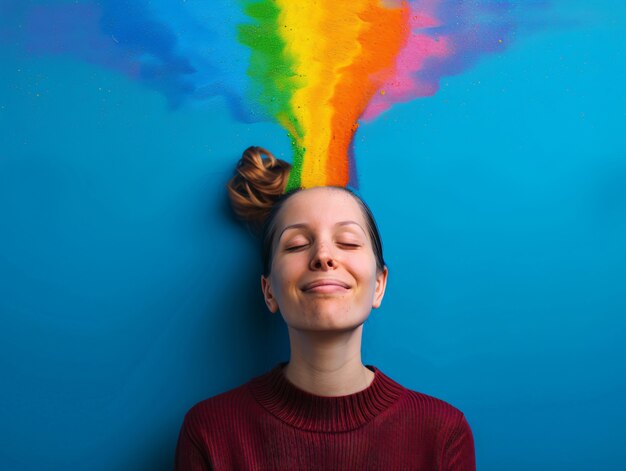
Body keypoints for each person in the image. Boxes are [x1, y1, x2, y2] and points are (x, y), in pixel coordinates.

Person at [173, 146, 476, 470]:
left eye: (347, 241)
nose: (323, 256)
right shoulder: (210, 432)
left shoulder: (442, 433)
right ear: (269, 291)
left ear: (378, 284)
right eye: (297, 245)